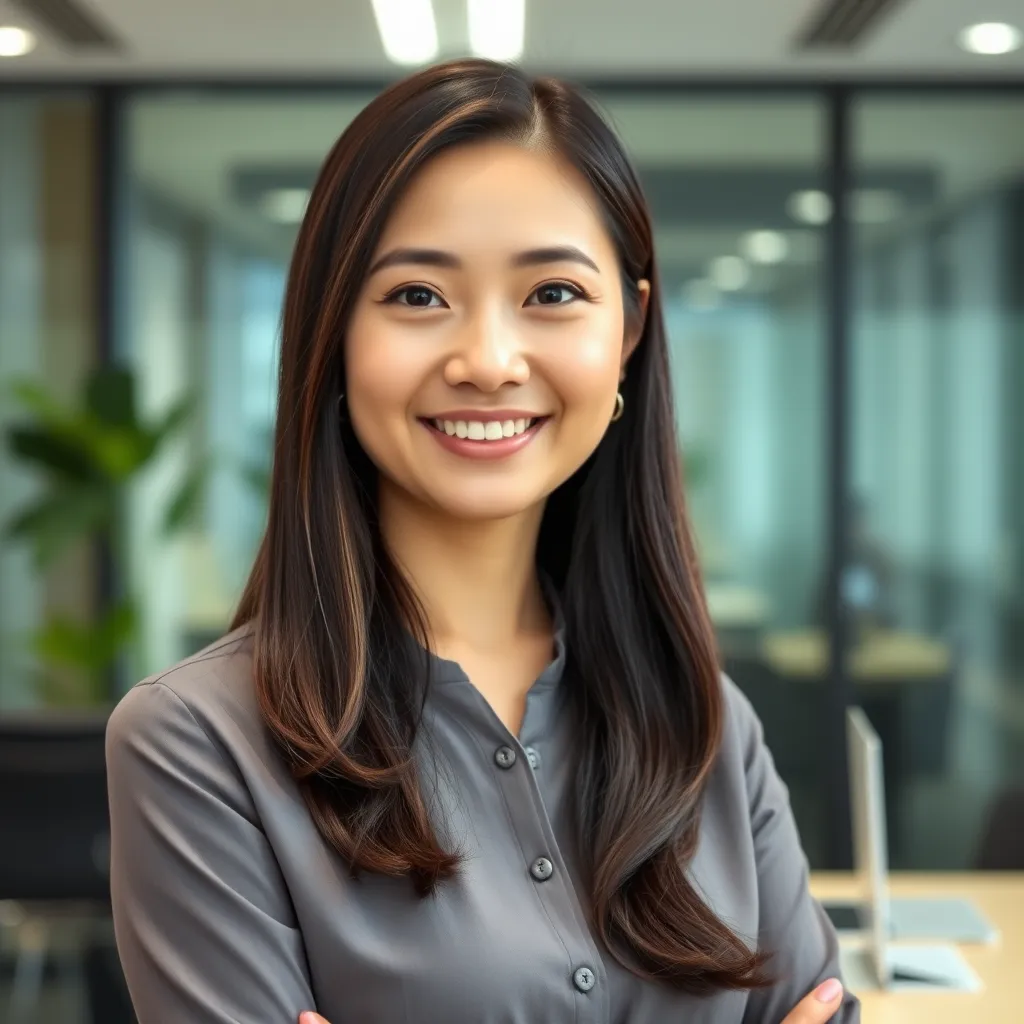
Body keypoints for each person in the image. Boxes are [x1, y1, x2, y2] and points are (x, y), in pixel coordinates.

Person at [105, 59, 859, 1024]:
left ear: (627, 327)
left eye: (552, 293)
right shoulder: (197, 746)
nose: (490, 362)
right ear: (333, 332)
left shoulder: (707, 720)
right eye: (418, 296)